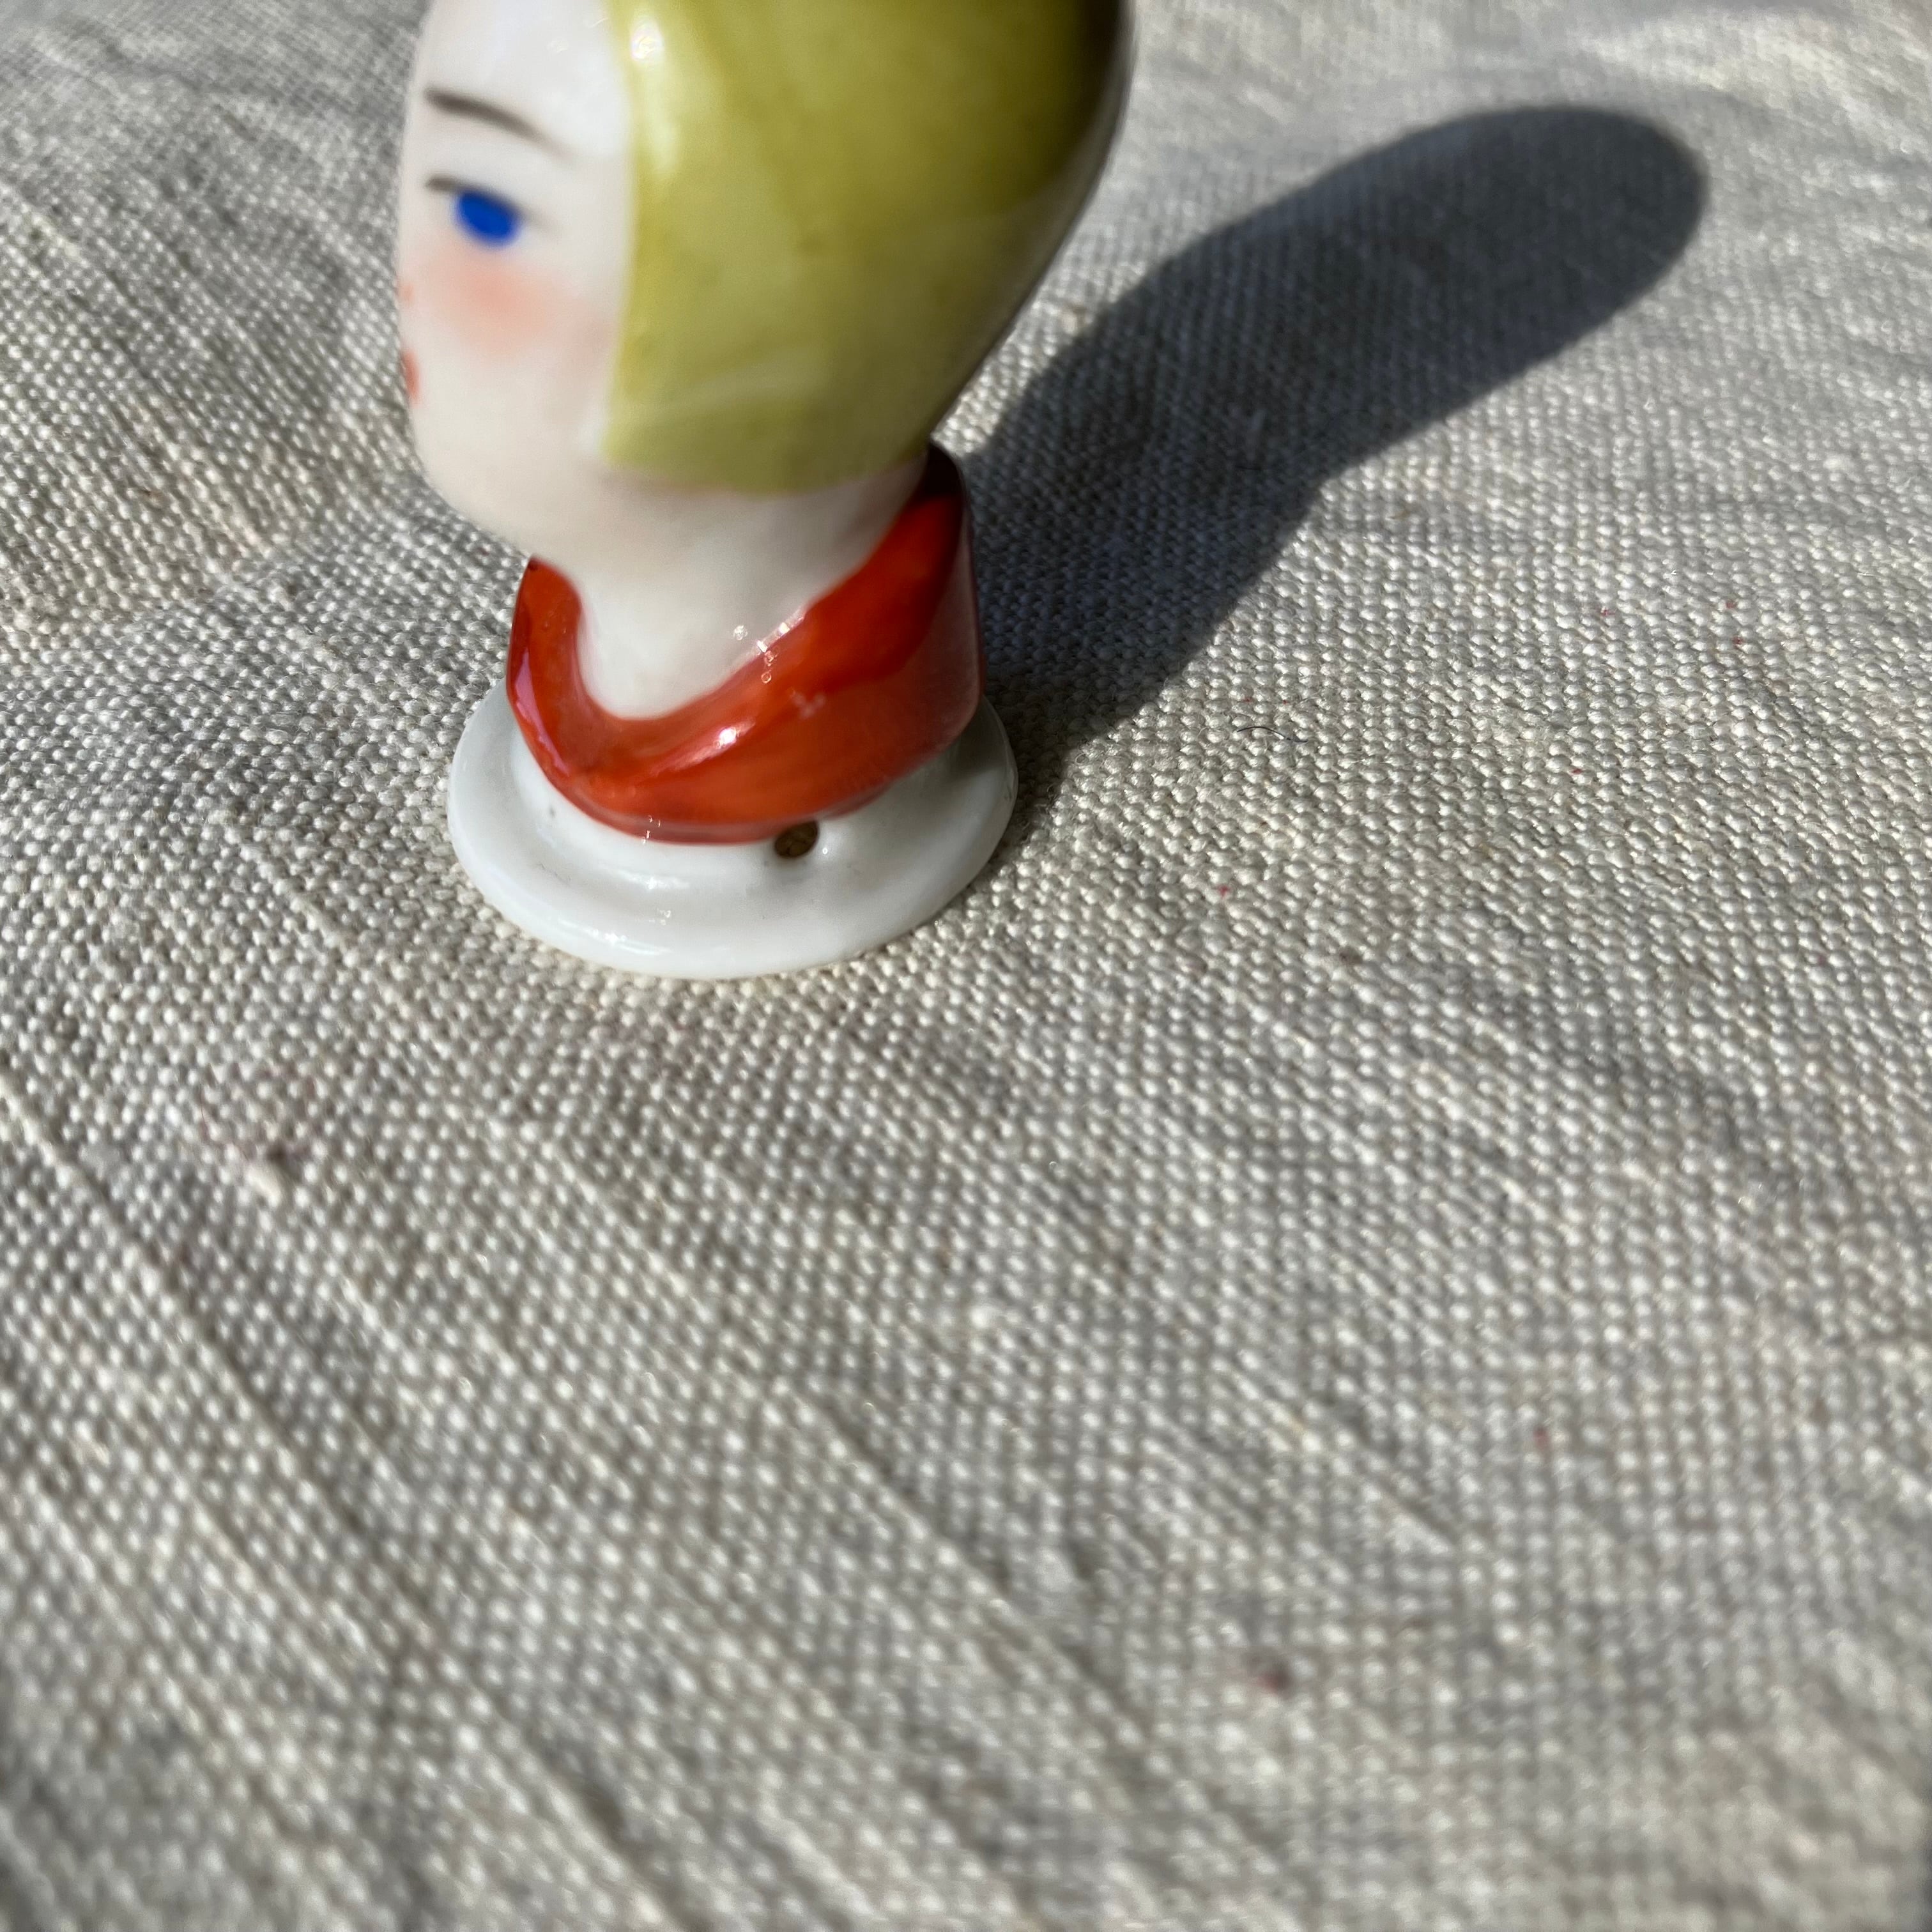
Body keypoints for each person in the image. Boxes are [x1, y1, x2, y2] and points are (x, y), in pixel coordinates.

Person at [399, 0, 1130, 976]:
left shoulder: (843, 714)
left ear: (764, 335)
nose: (408, 281)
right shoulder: (560, 630)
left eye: (485, 214)